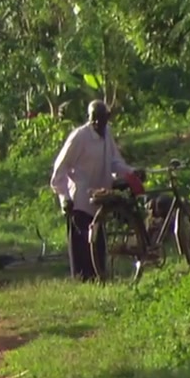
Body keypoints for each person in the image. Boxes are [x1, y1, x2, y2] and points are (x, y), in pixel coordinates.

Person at [49, 100, 139, 282]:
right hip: (80, 200)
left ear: (107, 118)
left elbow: (115, 162)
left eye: (101, 119)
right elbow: (61, 168)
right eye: (93, 120)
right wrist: (64, 197)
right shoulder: (79, 137)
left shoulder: (107, 134)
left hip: (99, 199)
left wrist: (131, 172)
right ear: (89, 119)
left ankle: (100, 278)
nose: (97, 124)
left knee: (97, 244)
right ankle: (82, 281)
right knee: (81, 246)